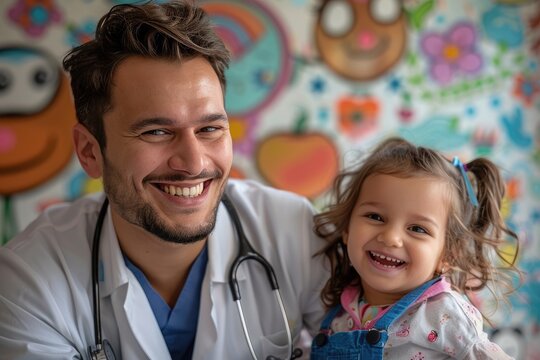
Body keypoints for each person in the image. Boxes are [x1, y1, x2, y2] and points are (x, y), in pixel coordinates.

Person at [0, 1, 328, 359]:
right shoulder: (28, 281)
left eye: (209, 128)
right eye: (156, 131)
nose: (193, 162)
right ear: (90, 152)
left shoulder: (292, 230)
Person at [310, 137, 521, 359]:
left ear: (448, 254)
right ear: (347, 228)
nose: (391, 237)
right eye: (375, 216)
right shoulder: (341, 306)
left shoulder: (444, 315)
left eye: (418, 229)